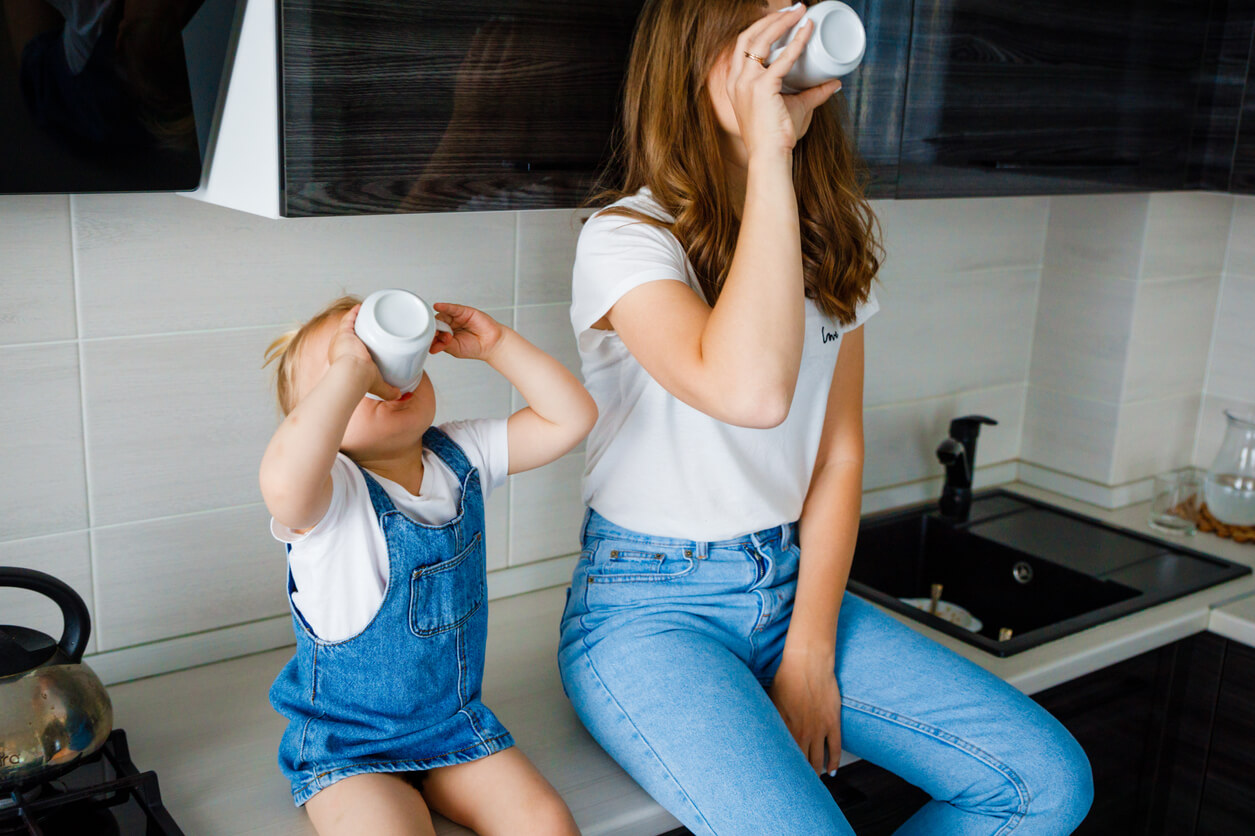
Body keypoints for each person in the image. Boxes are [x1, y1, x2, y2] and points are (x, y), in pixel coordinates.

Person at [557, 1, 1095, 834]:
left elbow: (837, 457)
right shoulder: (627, 237)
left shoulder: (822, 242)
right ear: (692, 60)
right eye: (760, 40)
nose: (784, 58)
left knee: (1043, 783)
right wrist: (769, 157)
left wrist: (808, 647)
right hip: (649, 610)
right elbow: (749, 393)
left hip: (789, 586)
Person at [260, 296, 594, 836]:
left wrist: (499, 347)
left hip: (452, 728)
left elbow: (571, 417)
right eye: (350, 364)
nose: (374, 372)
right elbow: (283, 482)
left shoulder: (459, 452)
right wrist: (351, 372)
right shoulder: (329, 495)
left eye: (382, 358)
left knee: (547, 824)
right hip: (350, 748)